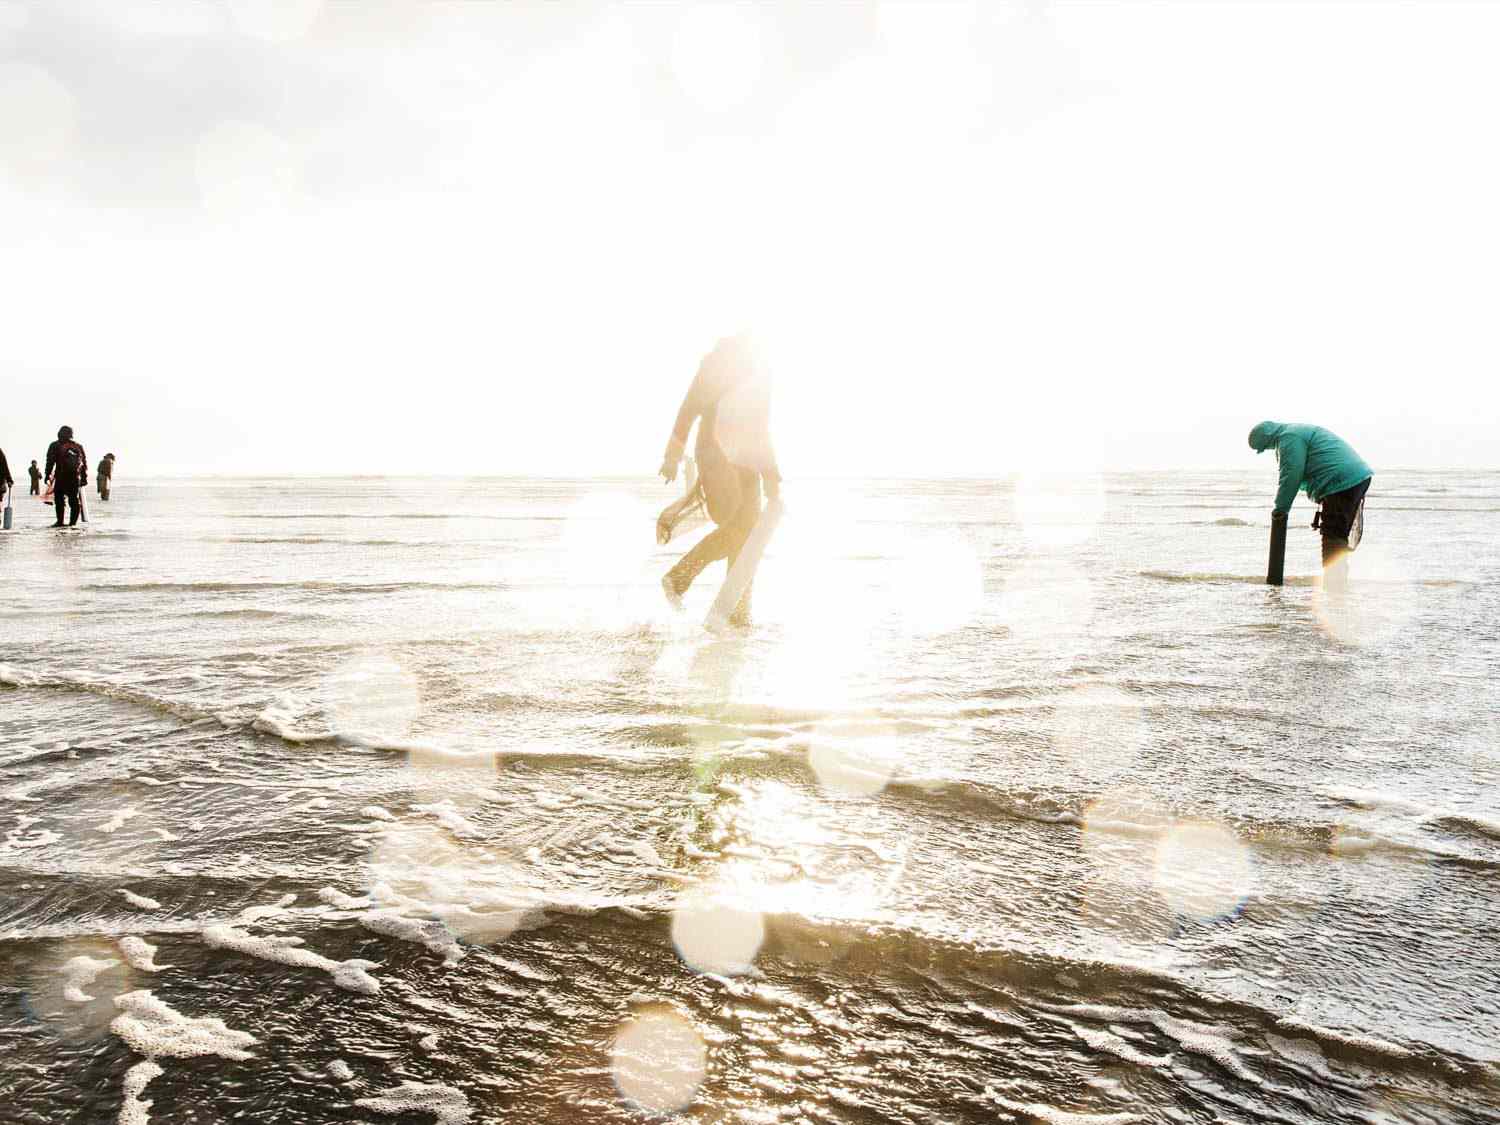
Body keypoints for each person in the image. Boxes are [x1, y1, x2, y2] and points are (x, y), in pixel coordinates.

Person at [659, 334, 781, 624]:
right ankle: (680, 577)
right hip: (715, 457)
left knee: (747, 539)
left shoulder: (761, 374)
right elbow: (688, 410)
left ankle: (737, 615)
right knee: (741, 529)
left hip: (747, 462)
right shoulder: (717, 368)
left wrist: (770, 473)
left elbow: (760, 426)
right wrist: (672, 457)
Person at [1248, 421, 1372, 585]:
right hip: (1356, 478)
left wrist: (1281, 509)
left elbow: (1291, 474)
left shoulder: (1289, 437)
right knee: (1337, 534)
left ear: (1266, 438)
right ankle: (1338, 585)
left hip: (1340, 481)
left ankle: (1334, 587)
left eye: (1265, 446)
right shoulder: (1296, 431)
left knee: (1332, 535)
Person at [45, 425, 88, 528]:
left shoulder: (55, 445)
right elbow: (83, 464)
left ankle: (60, 522)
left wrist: (47, 475)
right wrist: (84, 478)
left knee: (59, 500)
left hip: (61, 477)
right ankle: (73, 524)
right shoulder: (78, 446)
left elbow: (50, 462)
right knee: (74, 500)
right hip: (74, 478)